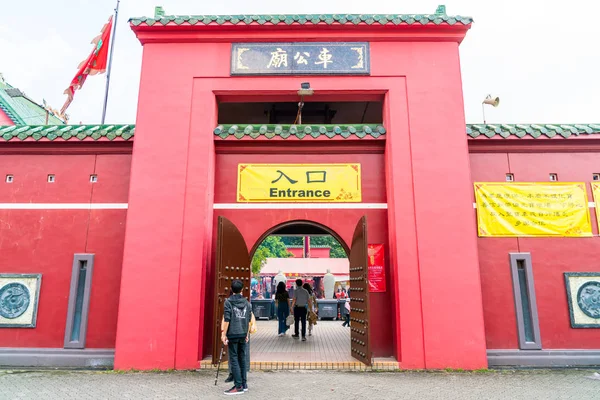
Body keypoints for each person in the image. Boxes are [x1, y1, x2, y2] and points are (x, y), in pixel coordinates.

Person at [221, 279, 254, 395]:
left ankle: (238, 386)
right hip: (242, 334)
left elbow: (227, 319)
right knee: (242, 358)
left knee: (234, 359)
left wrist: (223, 334)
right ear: (242, 290)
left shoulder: (228, 302)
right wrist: (246, 334)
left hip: (233, 333)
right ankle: (244, 384)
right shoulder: (247, 303)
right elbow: (248, 320)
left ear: (231, 289)